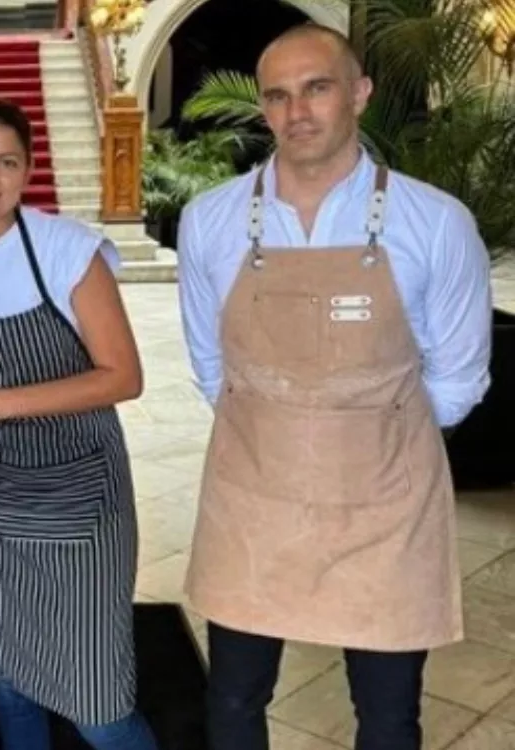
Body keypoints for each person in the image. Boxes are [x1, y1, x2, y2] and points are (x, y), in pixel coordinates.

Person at [178, 24, 491, 750]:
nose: (298, 112)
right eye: (279, 96)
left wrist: (363, 434)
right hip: (252, 501)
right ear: (264, 109)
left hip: (385, 510)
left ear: (359, 93)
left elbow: (458, 378)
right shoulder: (212, 222)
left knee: (387, 718)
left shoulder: (436, 223)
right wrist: (286, 430)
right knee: (231, 702)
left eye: (317, 88)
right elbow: (210, 366)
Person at [0, 98, 158, 750]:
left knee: (98, 704)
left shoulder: (67, 250)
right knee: (10, 682)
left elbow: (122, 377)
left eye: (6, 162)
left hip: (81, 509)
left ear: (28, 172)